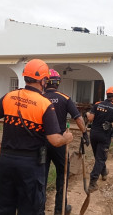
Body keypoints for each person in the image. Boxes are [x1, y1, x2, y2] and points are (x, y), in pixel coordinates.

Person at [0, 59, 73, 215]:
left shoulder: (10, 96)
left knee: (2, 208)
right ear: (43, 80)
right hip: (30, 165)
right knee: (30, 210)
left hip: (5, 161)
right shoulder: (44, 104)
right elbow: (55, 140)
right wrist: (67, 138)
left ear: (26, 77)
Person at [43, 69, 89, 215]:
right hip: (60, 143)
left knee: (40, 175)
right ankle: (60, 208)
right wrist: (84, 133)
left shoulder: (39, 97)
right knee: (62, 175)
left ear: (45, 82)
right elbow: (78, 118)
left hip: (42, 143)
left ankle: (38, 208)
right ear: (58, 83)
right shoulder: (65, 98)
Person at [86, 86, 113, 193]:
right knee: (100, 158)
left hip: (93, 134)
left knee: (99, 156)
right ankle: (93, 182)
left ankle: (104, 173)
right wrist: (111, 124)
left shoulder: (97, 104)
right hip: (104, 136)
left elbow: (90, 118)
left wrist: (87, 113)